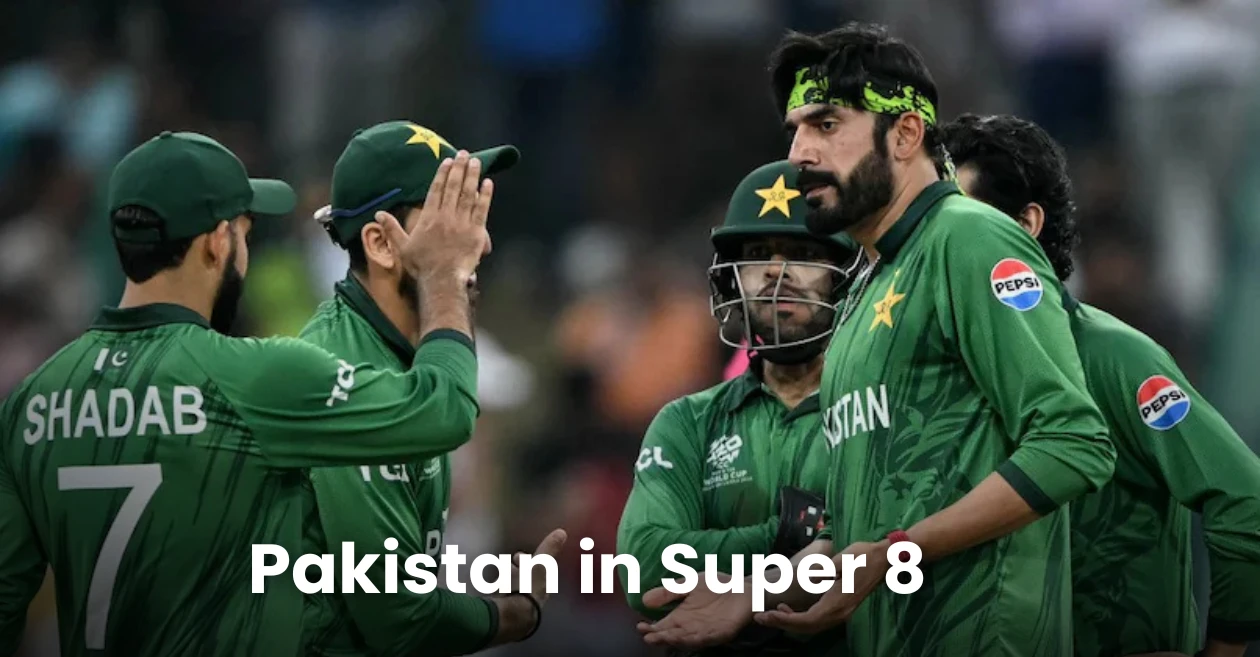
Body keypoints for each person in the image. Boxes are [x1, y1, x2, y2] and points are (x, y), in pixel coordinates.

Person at [637, 24, 1116, 657]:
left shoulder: (969, 238)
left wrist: (895, 554)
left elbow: (1074, 443)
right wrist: (761, 589)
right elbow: (871, 522)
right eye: (795, 131)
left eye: (826, 125)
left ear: (906, 134)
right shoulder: (868, 286)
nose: (800, 153)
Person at [0, 130, 496, 656]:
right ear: (219, 241)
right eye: (246, 231)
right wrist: (444, 275)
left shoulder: (31, 401)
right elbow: (442, 411)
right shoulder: (253, 377)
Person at [940, 113, 1260, 657]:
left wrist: (1222, 651)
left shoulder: (1114, 359)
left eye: (956, 222)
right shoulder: (929, 375)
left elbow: (1245, 500)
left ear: (1024, 226)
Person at [300, 120, 564, 655]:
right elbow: (398, 618)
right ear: (380, 243)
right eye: (449, 221)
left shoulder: (403, 352)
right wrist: (513, 614)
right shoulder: (343, 376)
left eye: (476, 218)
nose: (482, 243)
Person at [617, 160, 853, 657]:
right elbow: (644, 569)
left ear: (846, 278)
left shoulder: (878, 409)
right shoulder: (687, 422)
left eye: (803, 254)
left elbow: (887, 552)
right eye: (758, 255)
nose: (776, 271)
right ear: (732, 281)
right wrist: (793, 533)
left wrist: (734, 574)